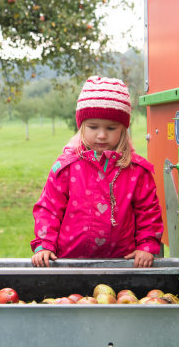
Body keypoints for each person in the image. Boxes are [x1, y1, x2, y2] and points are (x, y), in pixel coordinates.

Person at [30, 76, 163, 268]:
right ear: (82, 125)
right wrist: (44, 245)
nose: (101, 135)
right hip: (69, 262)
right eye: (93, 127)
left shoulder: (136, 171)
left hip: (121, 264)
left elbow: (148, 211)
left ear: (124, 129)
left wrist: (146, 245)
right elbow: (49, 208)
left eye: (111, 127)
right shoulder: (67, 168)